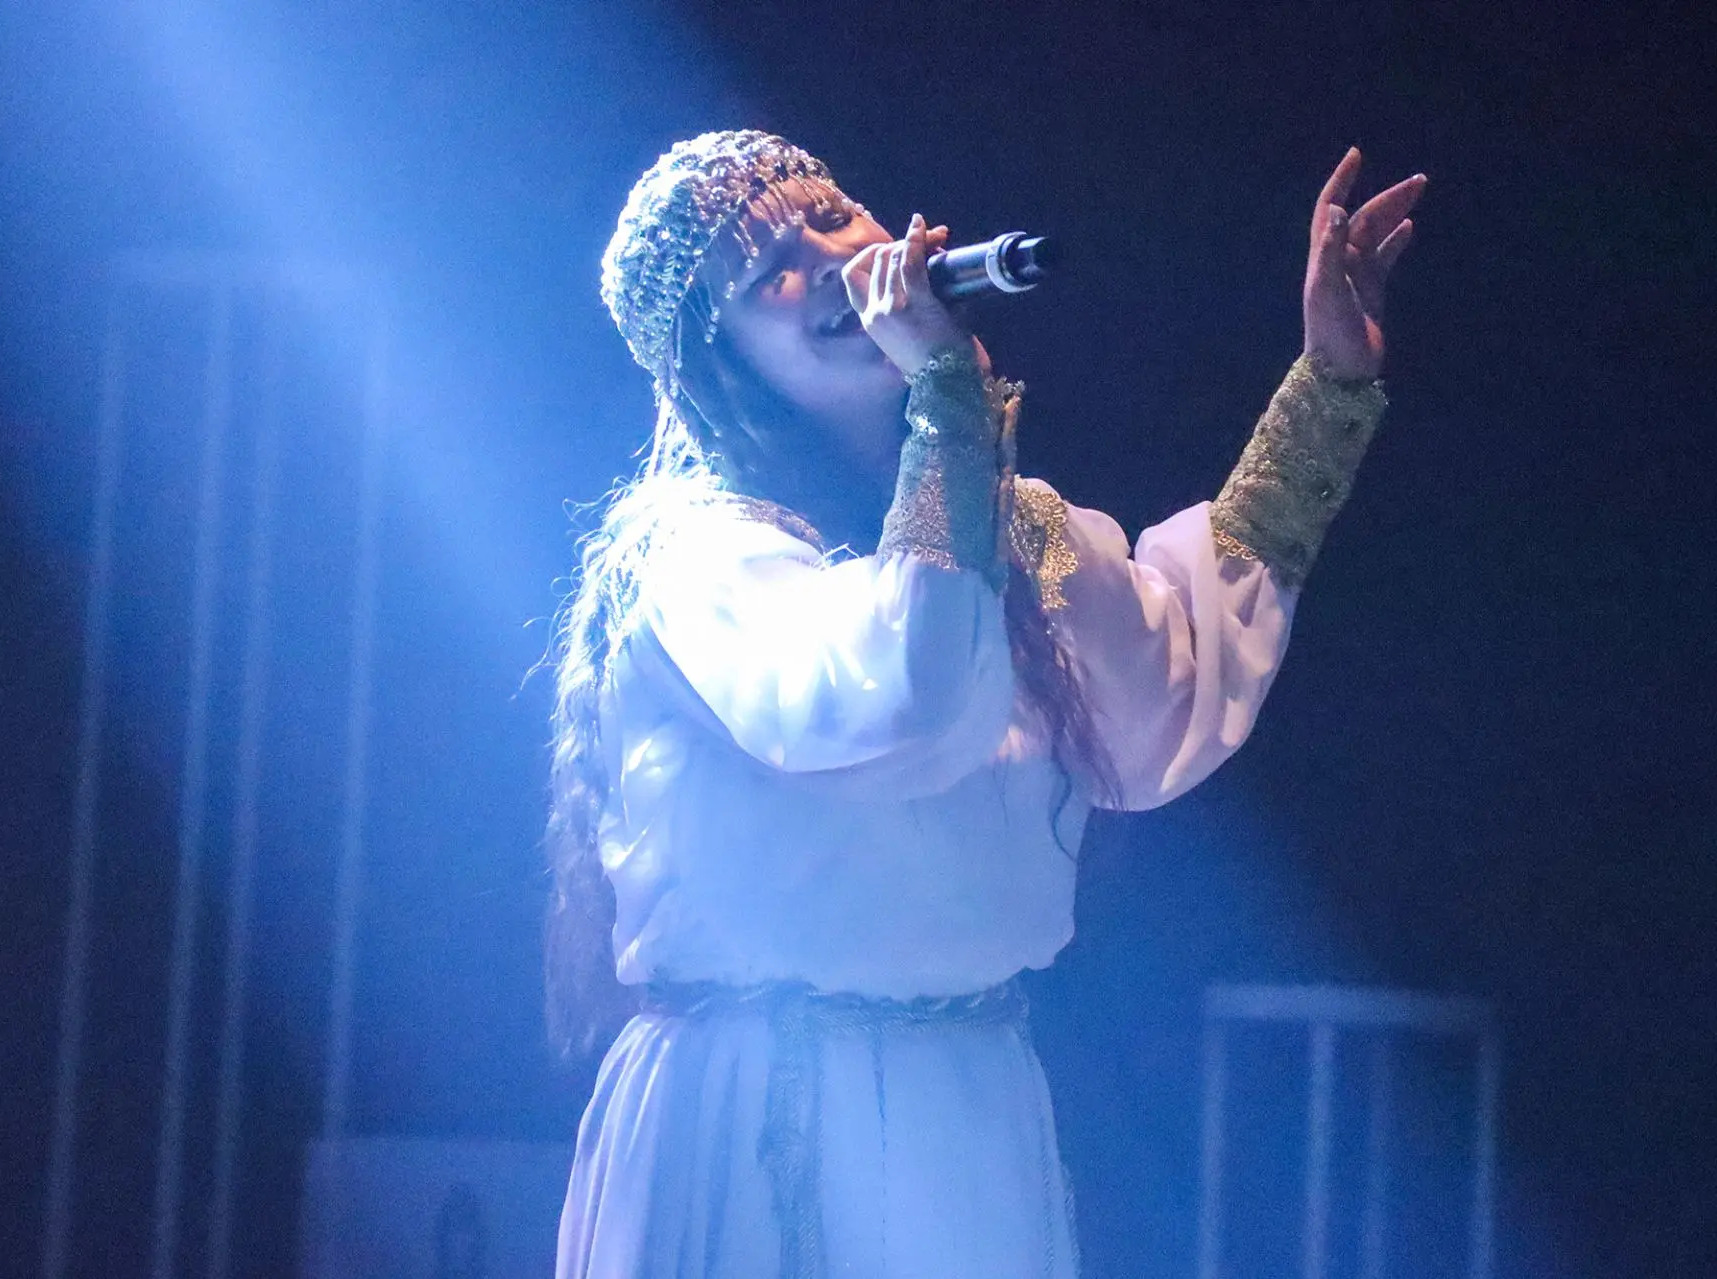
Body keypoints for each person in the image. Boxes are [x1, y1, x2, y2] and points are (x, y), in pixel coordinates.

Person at [546, 129, 1424, 1278]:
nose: (831, 264)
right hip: (756, 1105)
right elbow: (901, 696)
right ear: (720, 363)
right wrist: (948, 407)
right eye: (771, 274)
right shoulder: (698, 560)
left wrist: (1330, 385)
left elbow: (1167, 687)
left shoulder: (1014, 533)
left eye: (834, 220)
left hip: (967, 1103)